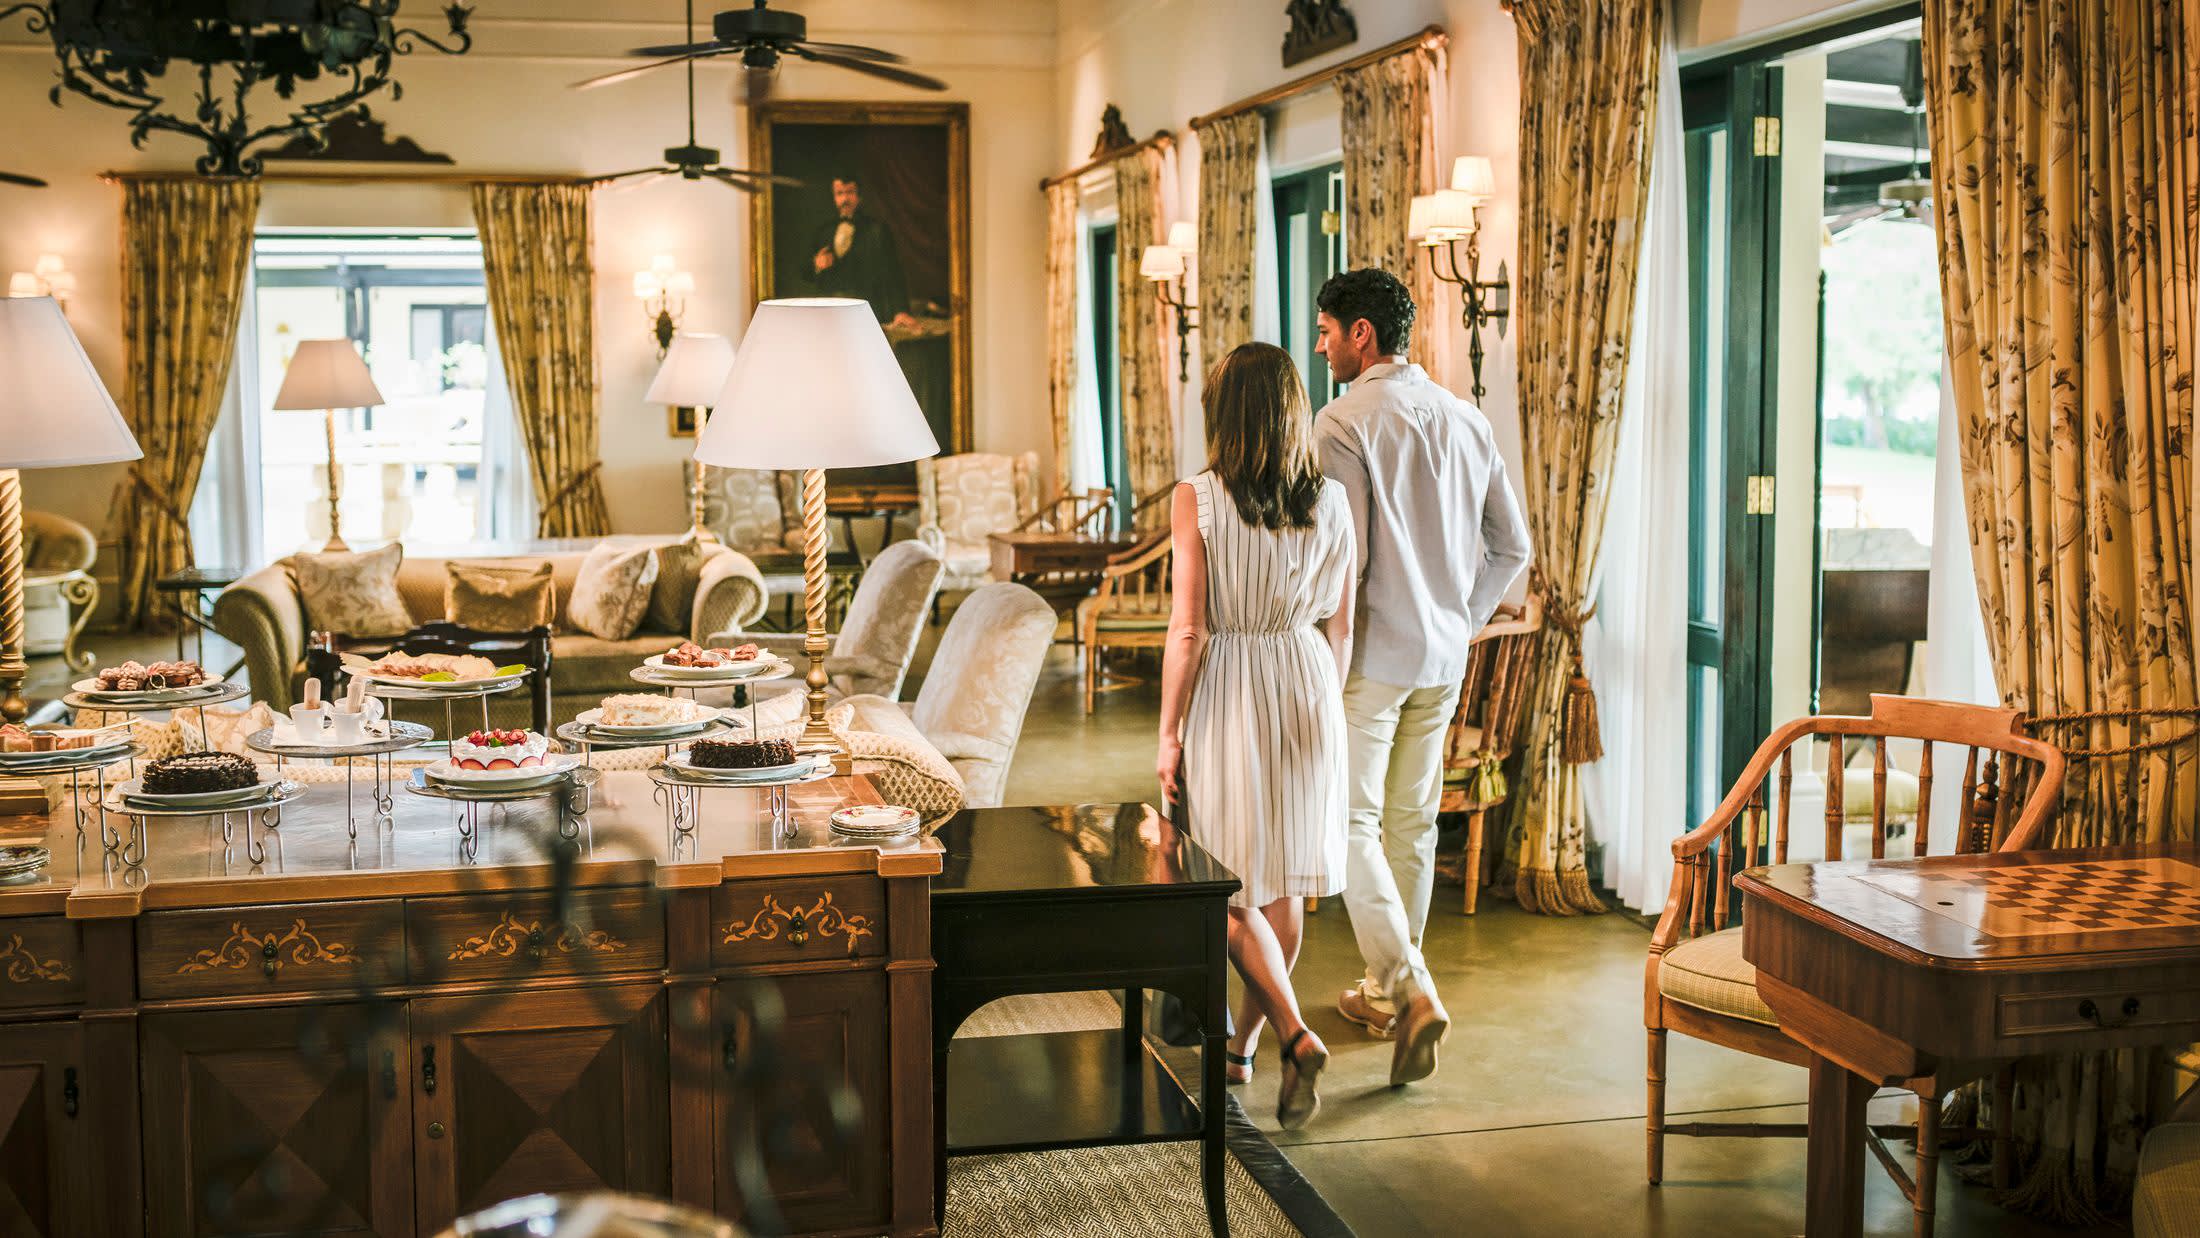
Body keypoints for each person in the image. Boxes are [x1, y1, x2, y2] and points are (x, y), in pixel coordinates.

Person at [1312, 267, 1533, 1086]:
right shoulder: (1468, 418)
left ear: (1361, 334)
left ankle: (1407, 989)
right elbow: (1513, 548)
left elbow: (1348, 561)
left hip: (1371, 655)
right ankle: (1383, 987)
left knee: (1350, 824)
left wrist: (1322, 653)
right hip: (1444, 657)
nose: (1323, 343)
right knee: (1411, 825)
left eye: (1328, 330)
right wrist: (1460, 619)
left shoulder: (1341, 422)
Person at [1156, 341, 1356, 1129]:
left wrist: (1169, 734)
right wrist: (1322, 705)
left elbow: (1189, 631)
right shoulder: (1334, 502)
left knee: (1223, 888)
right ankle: (1239, 1049)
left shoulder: (1197, 498)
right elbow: (1341, 626)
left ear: (1224, 416)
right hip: (1308, 681)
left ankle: (1295, 1034)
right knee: (1283, 882)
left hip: (1233, 686)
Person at [803, 174, 918, 330]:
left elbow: (893, 273)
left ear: (859, 196)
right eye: (839, 193)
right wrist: (816, 264)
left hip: (868, 313)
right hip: (829, 314)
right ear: (834, 197)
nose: (845, 199)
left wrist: (900, 310)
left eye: (850, 192)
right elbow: (804, 273)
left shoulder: (877, 230)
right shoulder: (824, 231)